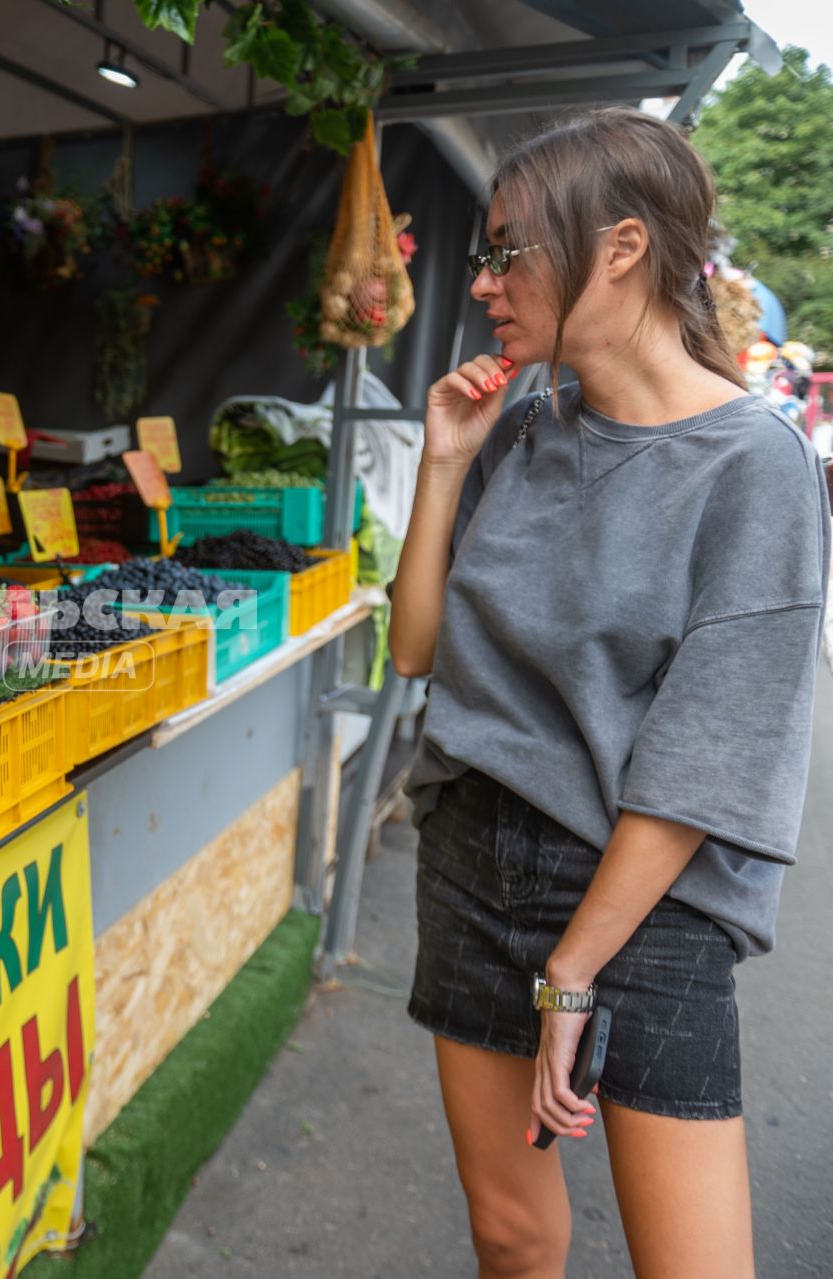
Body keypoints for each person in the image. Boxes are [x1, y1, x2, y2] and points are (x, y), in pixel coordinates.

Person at [391, 108, 827, 1279]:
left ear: (622, 247)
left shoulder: (757, 465)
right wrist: (443, 461)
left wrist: (574, 966)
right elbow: (417, 650)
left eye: (505, 249)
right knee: (513, 1236)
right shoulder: (520, 427)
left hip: (649, 897)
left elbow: (710, 755)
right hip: (475, 858)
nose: (483, 283)